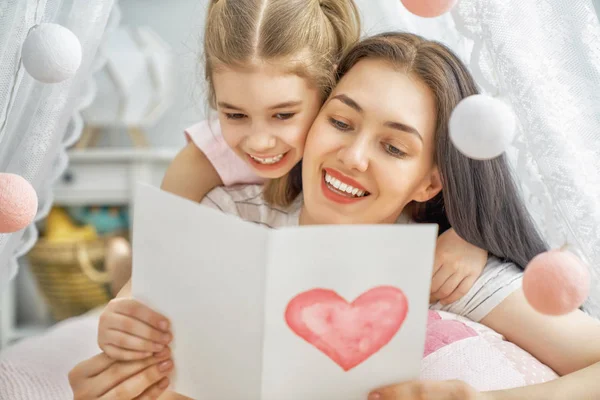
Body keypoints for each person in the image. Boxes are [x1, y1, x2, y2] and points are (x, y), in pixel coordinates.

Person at [71, 31, 600, 399]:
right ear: (313, 119)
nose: (353, 157)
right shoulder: (229, 214)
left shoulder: (445, 270)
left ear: (430, 181)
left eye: (394, 148)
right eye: (342, 122)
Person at [98, 0, 489, 363]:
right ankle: (118, 263)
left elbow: (464, 186)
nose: (259, 141)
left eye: (283, 115)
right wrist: (126, 300)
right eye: (233, 115)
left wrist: (470, 236)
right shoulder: (205, 160)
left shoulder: (355, 147)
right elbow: (159, 258)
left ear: (329, 93)